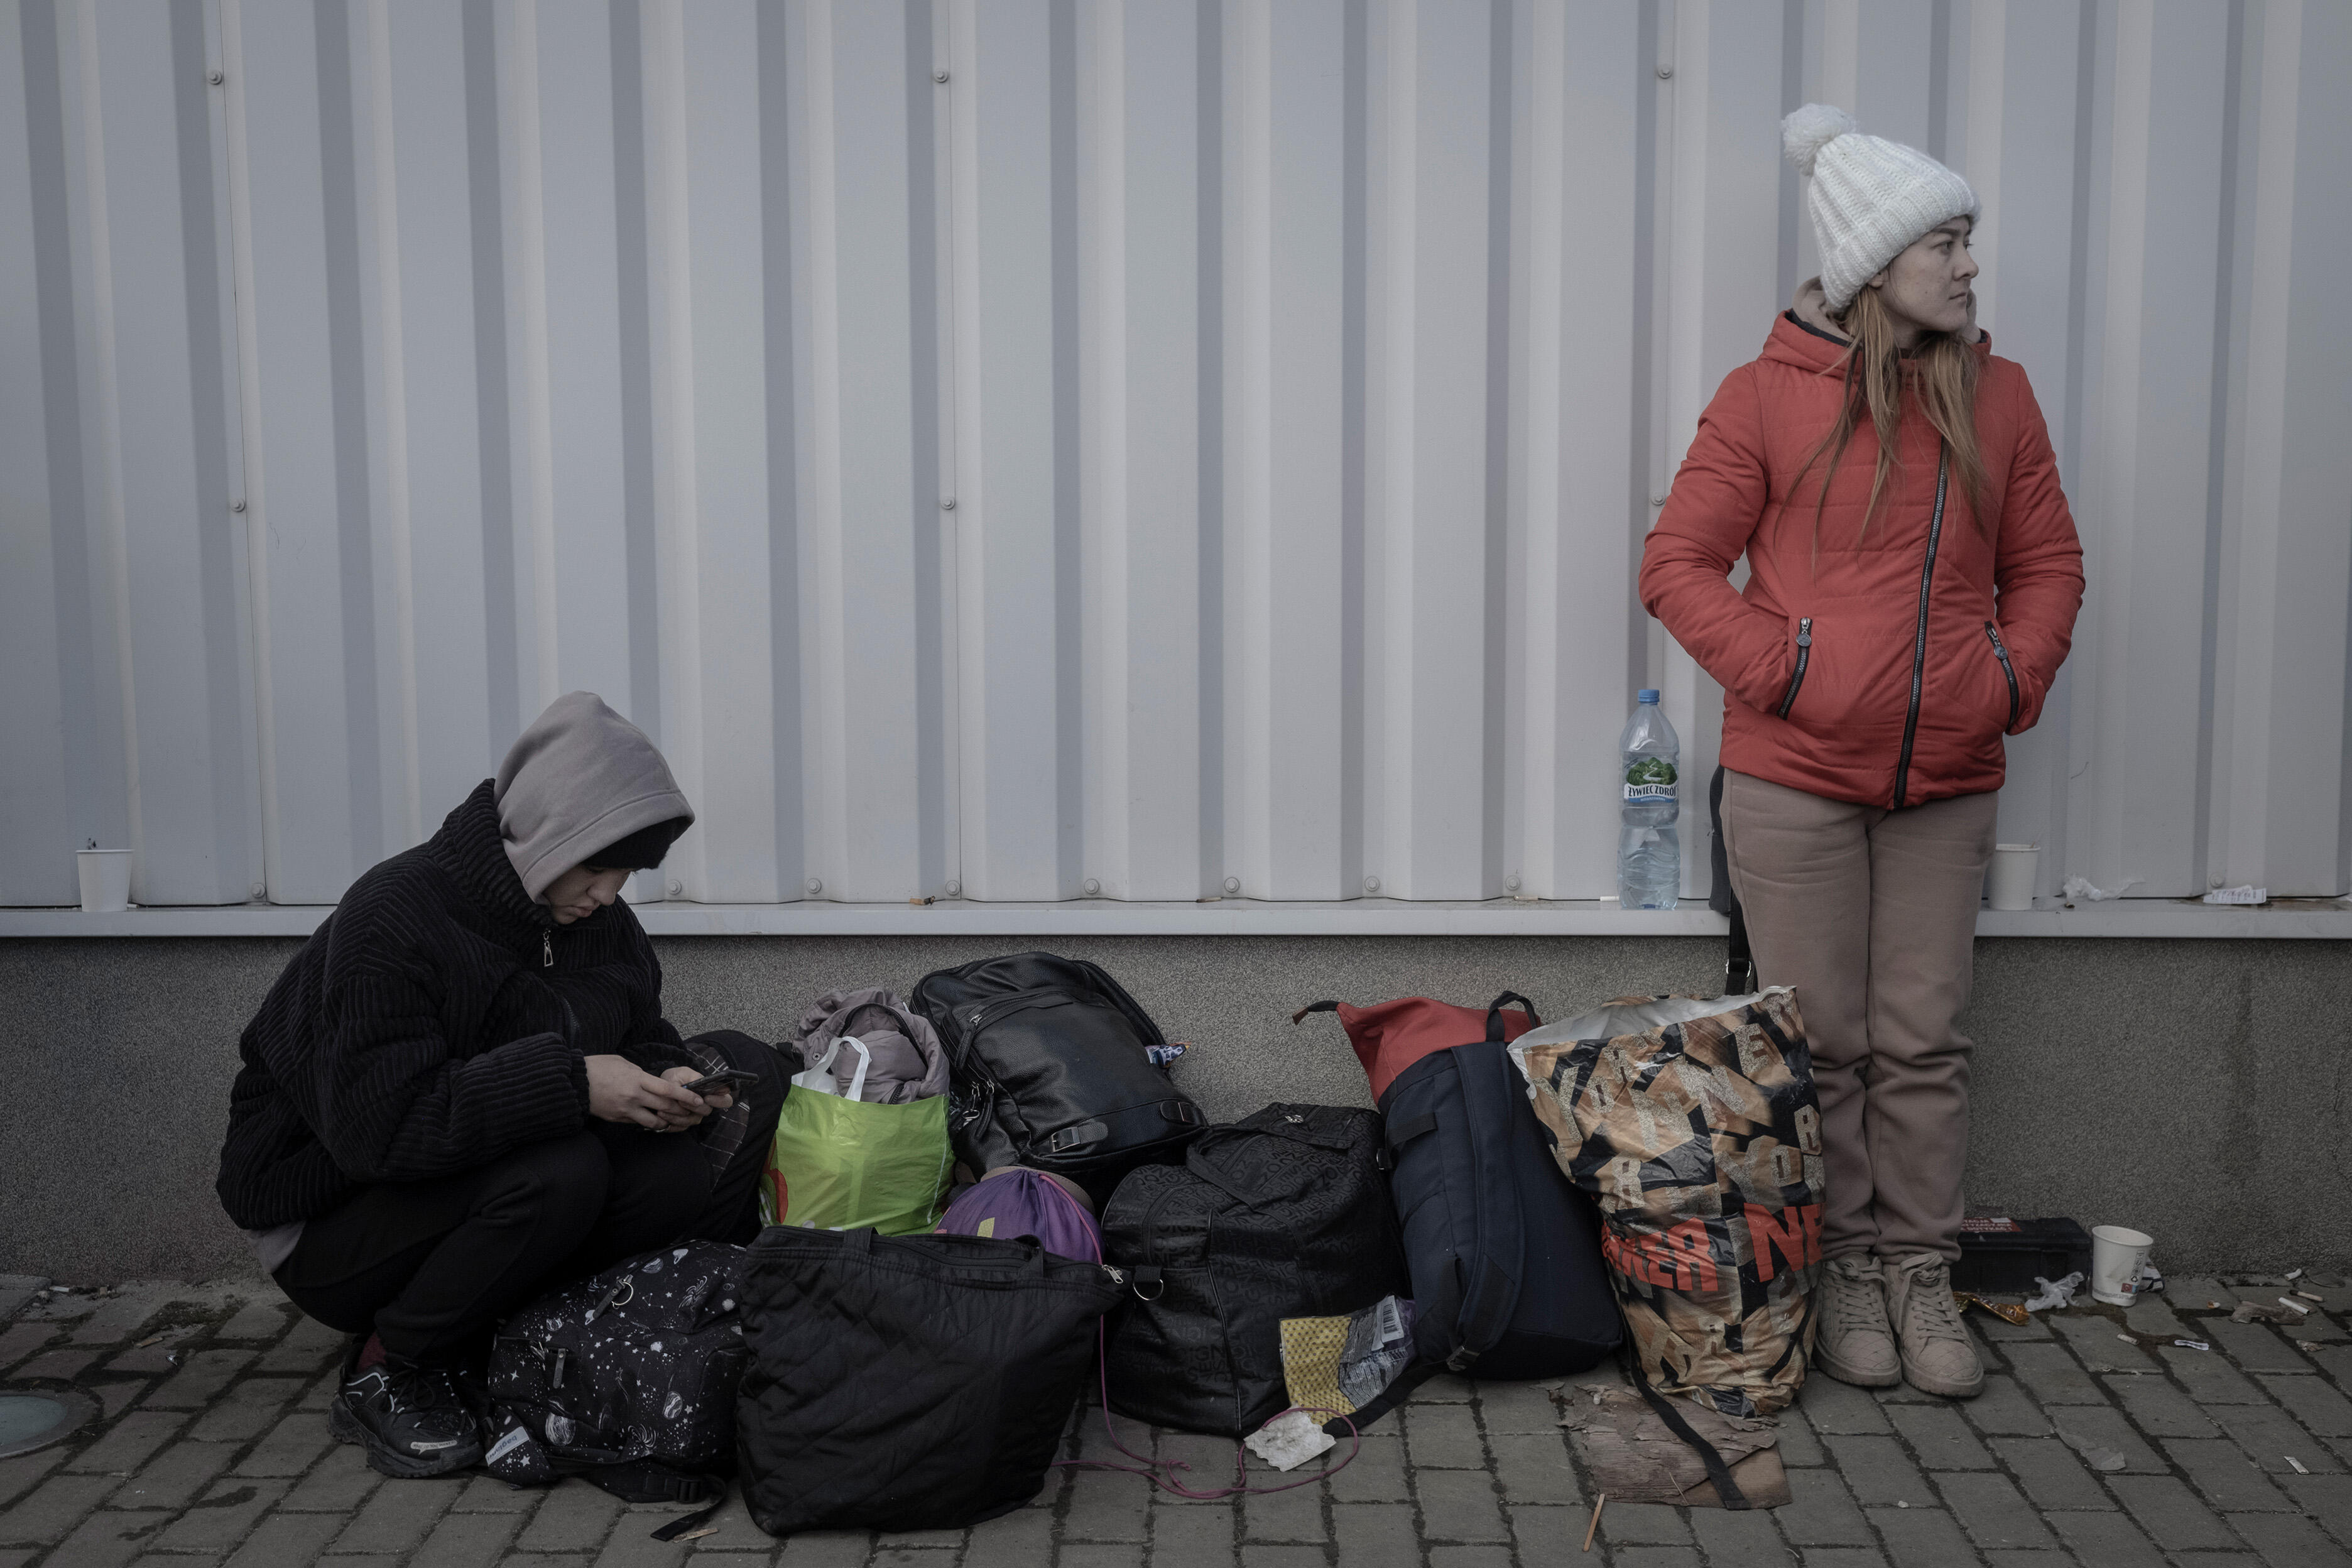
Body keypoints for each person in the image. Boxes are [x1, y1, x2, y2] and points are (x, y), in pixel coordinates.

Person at [1638, 105, 2084, 1398]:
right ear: (1876, 265)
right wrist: (1790, 669)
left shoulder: (1998, 398)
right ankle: (1839, 1271)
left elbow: (2048, 565)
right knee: (1823, 1044)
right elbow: (1676, 565)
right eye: (1946, 242)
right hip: (1795, 785)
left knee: (1922, 1041)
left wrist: (2008, 677)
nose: (1969, 264)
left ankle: (1920, 1275)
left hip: (1946, 781)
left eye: (1967, 241)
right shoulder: (1766, 399)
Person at [216, 692, 785, 1476]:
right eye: (597, 866)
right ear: (548, 833)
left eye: (628, 873)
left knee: (673, 1176)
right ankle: (391, 1364)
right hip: (324, 1217)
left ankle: (506, 1337)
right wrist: (574, 1083)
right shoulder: (395, 915)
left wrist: (667, 1082)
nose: (610, 894)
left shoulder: (597, 923)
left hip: (470, 1180)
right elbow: (378, 1130)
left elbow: (638, 1033)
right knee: (558, 1173)